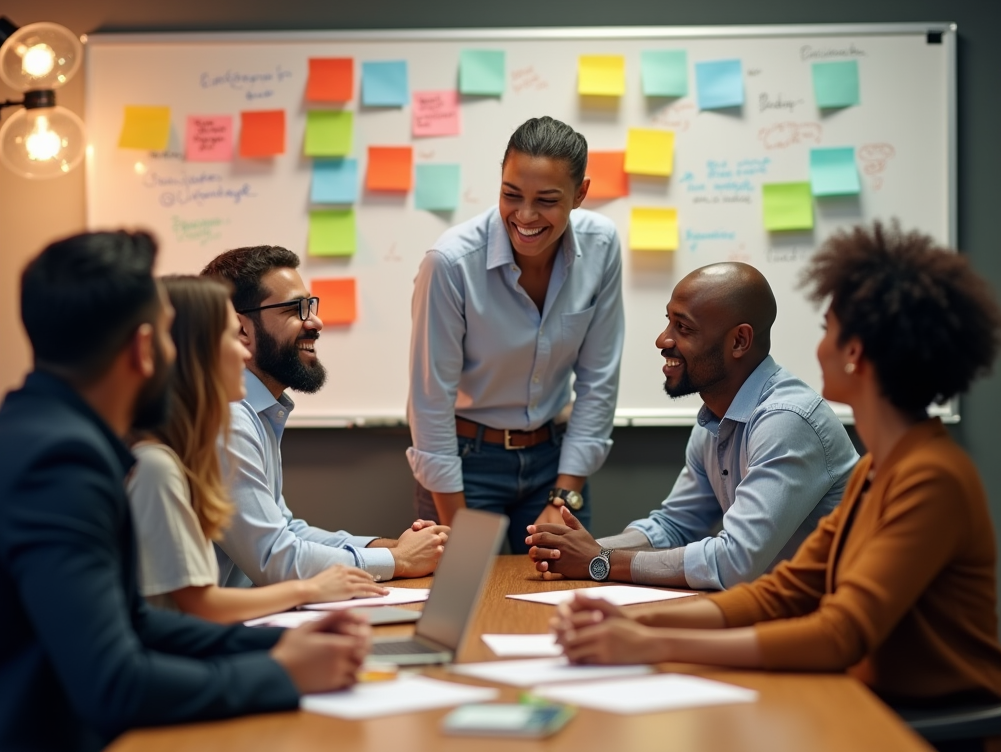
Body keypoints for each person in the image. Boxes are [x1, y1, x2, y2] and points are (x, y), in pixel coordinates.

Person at [553, 223, 1001, 716]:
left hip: (930, 723)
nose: (817, 347)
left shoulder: (930, 477)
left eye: (827, 328)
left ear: (855, 355)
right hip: (863, 697)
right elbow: (782, 592)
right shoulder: (879, 470)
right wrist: (634, 626)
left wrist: (653, 645)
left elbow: (839, 633)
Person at [0, 231, 370, 752]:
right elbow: (114, 685)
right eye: (169, 336)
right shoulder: (59, 464)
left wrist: (282, 643)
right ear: (144, 350)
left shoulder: (38, 432)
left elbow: (138, 623)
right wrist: (282, 675)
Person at [527, 262, 858, 590]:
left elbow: (734, 563)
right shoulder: (714, 418)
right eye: (668, 322)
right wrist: (579, 549)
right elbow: (673, 526)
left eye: (682, 328)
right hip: (772, 609)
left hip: (827, 622)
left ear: (739, 341)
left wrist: (601, 560)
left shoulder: (786, 421)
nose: (662, 340)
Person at [408, 115, 625, 552]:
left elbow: (599, 379)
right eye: (511, 195)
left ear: (580, 193)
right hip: (465, 461)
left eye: (546, 200)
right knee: (462, 597)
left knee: (565, 597)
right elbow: (431, 401)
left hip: (554, 460)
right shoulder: (450, 263)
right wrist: (461, 539)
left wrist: (564, 493)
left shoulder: (601, 246)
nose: (525, 216)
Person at [127, 275, 387, 622]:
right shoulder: (158, 466)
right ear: (192, 353)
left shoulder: (191, 450)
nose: (241, 349)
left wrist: (390, 551)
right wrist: (309, 590)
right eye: (228, 335)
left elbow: (282, 530)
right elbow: (199, 608)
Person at [201, 246, 448, 588]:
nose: (315, 321)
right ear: (242, 329)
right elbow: (276, 558)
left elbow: (287, 530)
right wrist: (399, 560)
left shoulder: (257, 412)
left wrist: (387, 548)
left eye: (310, 305)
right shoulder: (228, 420)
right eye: (294, 309)